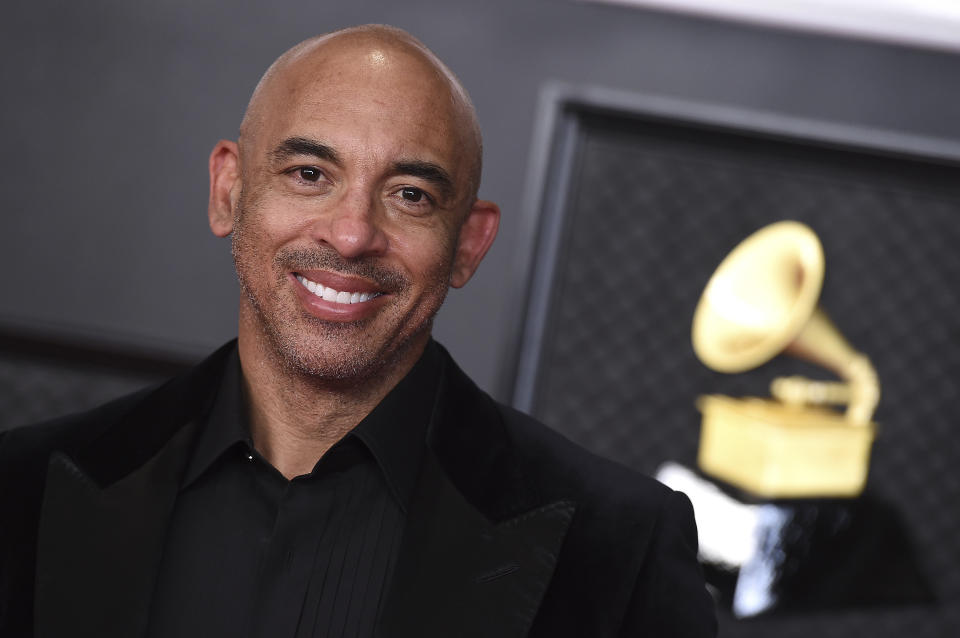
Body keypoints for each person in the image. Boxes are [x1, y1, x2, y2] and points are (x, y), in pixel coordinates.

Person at [0, 25, 716, 637]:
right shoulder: (21, 490)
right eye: (310, 173)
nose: (350, 235)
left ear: (468, 243)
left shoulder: (619, 548)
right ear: (229, 191)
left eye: (410, 195)